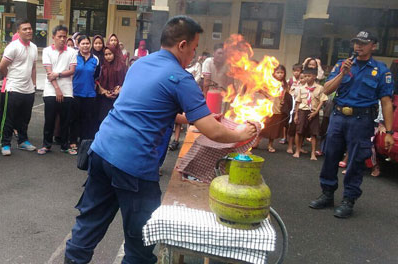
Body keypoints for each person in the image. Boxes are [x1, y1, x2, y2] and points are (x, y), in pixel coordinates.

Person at [64, 15, 258, 264]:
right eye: (194, 48)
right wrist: (241, 134)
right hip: (133, 164)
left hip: (101, 151)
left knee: (89, 222)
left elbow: (151, 107)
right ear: (182, 45)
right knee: (141, 240)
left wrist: (197, 117)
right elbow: (214, 132)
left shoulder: (141, 64)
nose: (194, 54)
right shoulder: (181, 77)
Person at [309, 30, 394, 218]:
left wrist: (389, 131)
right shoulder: (342, 64)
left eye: (364, 43)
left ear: (374, 45)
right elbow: (326, 89)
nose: (358, 46)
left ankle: (348, 200)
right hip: (338, 118)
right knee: (330, 155)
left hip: (361, 120)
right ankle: (327, 193)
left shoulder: (381, 70)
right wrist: (342, 73)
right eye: (356, 42)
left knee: (355, 160)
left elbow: (386, 102)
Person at [0, 19, 38, 156]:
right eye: (25, 29)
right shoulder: (13, 47)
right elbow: (2, 66)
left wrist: (34, 83)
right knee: (9, 117)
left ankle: (22, 141)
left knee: (25, 118)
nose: (29, 31)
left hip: (29, 89)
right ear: (18, 32)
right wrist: (9, 77)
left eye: (30, 28)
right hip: (14, 88)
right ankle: (5, 144)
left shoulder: (33, 47)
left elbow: (33, 67)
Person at [37, 25, 77, 155]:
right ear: (53, 37)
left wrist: (58, 74)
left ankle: (65, 145)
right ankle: (46, 145)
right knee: (50, 119)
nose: (62, 39)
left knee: (66, 120)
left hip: (67, 90)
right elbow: (49, 73)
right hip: (50, 91)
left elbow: (72, 71)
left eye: (64, 36)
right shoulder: (47, 51)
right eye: (59, 36)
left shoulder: (72, 52)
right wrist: (57, 89)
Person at [69, 36, 100, 150]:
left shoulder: (95, 59)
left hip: (90, 93)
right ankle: (72, 140)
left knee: (87, 119)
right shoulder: (74, 57)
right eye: (83, 43)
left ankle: (84, 141)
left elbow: (97, 75)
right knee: (74, 118)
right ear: (78, 44)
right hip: (75, 92)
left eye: (87, 43)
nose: (86, 45)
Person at [255, 64, 291, 153]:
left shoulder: (285, 85)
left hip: (278, 109)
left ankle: (270, 145)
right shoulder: (269, 82)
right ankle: (256, 142)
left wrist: (283, 101)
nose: (280, 74)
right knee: (263, 126)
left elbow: (286, 95)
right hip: (267, 108)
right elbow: (259, 89)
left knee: (274, 129)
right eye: (278, 72)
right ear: (274, 73)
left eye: (282, 73)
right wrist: (267, 96)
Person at [293, 68, 328, 160]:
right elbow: (298, 102)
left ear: (315, 76)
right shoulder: (301, 88)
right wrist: (296, 115)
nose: (307, 78)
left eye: (309, 76)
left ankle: (313, 153)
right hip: (302, 111)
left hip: (313, 111)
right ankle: (297, 150)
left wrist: (316, 112)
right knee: (299, 131)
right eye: (305, 76)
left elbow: (322, 100)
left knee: (314, 133)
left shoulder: (320, 88)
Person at [96, 45, 126, 128]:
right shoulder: (103, 67)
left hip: (118, 98)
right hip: (105, 98)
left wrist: (120, 89)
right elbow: (99, 82)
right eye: (106, 54)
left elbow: (127, 80)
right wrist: (105, 92)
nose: (108, 56)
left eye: (110, 54)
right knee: (104, 120)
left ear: (115, 54)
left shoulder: (122, 66)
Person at [287, 72, 306, 154]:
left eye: (305, 77)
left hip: (305, 111)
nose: (303, 79)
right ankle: (290, 146)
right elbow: (292, 97)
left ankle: (299, 147)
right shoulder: (297, 87)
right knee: (292, 130)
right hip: (296, 111)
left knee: (302, 131)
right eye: (301, 78)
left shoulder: (310, 88)